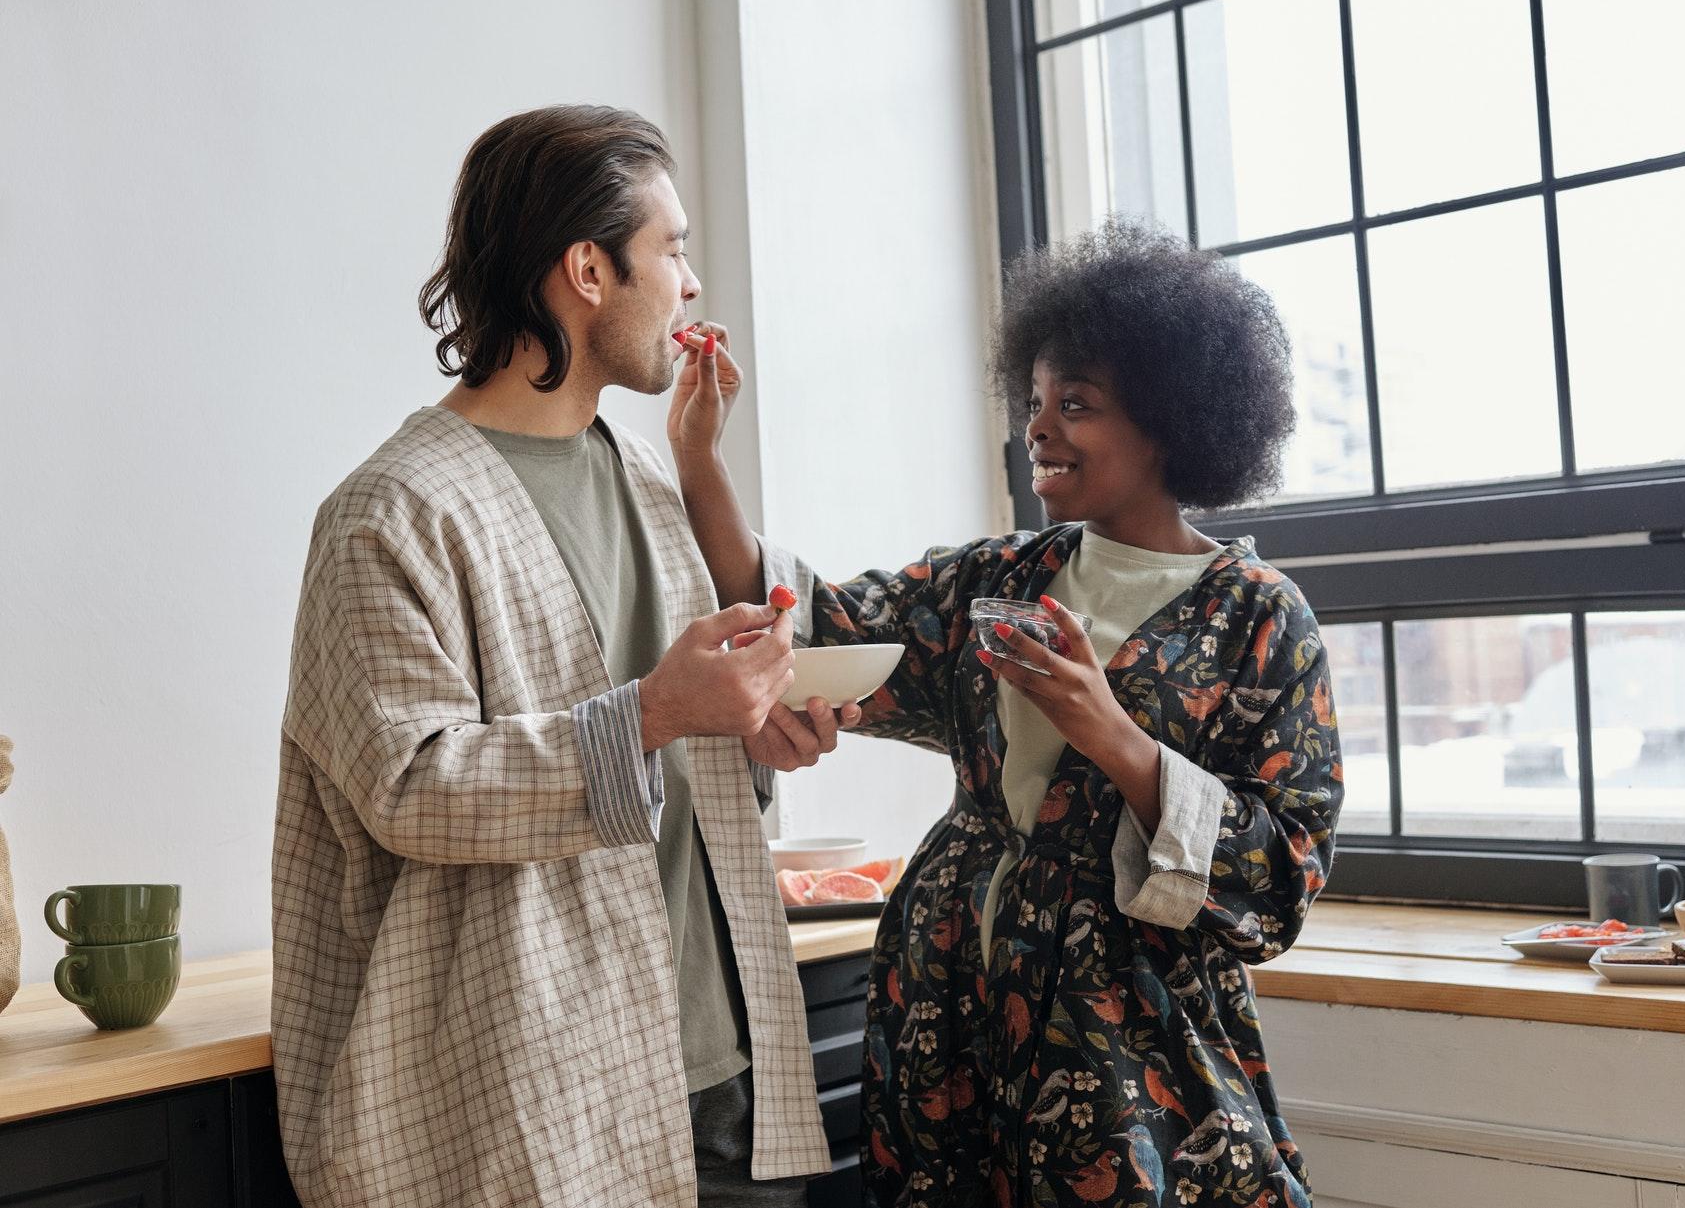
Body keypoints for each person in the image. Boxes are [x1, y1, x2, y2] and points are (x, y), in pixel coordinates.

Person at [671, 220, 1344, 1207]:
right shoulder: (1001, 580)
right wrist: (699, 462)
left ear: (1170, 419)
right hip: (947, 1002)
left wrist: (1114, 737)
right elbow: (808, 632)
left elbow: (1284, 870)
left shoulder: (1259, 616)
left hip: (1123, 1031)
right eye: (1034, 402)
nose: (1040, 427)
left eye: (1078, 404)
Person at [272, 104, 855, 1207]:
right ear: (588, 270)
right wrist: (652, 713)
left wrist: (754, 729)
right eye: (672, 248)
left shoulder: (644, 476)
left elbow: (676, 767)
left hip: (724, 1080)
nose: (689, 284)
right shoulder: (388, 515)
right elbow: (412, 789)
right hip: (538, 1106)